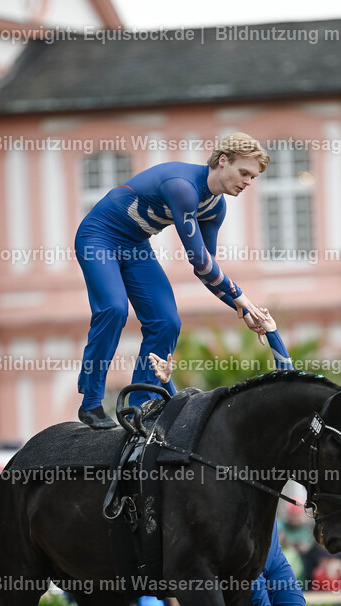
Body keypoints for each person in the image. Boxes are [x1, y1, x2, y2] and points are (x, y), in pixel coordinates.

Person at [148, 320, 328, 606]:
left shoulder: (262, 436)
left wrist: (274, 333)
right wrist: (167, 383)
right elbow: (183, 422)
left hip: (271, 555)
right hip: (243, 560)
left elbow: (287, 379)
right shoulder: (216, 451)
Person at [74, 132, 271, 428]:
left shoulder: (216, 207)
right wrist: (243, 299)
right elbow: (199, 260)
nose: (247, 182)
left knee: (167, 322)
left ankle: (140, 404)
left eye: (253, 177)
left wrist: (241, 309)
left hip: (136, 245)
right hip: (98, 237)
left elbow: (207, 269)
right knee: (114, 309)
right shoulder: (183, 187)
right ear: (222, 161)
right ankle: (90, 404)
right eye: (244, 172)